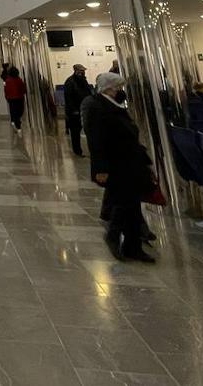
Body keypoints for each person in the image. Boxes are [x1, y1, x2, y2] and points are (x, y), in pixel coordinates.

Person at [85, 72, 156, 263]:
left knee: (132, 204)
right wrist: (100, 168)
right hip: (116, 163)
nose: (120, 91)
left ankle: (133, 246)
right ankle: (113, 235)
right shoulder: (96, 106)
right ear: (108, 88)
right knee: (124, 203)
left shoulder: (115, 105)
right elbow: (95, 140)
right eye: (117, 88)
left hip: (131, 161)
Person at [63, 64, 93, 156]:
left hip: (85, 109)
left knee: (89, 130)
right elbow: (68, 98)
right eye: (81, 71)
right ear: (75, 71)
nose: (82, 72)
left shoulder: (83, 80)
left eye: (83, 71)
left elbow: (88, 92)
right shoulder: (70, 82)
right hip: (75, 111)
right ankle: (77, 151)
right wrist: (73, 110)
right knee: (75, 132)